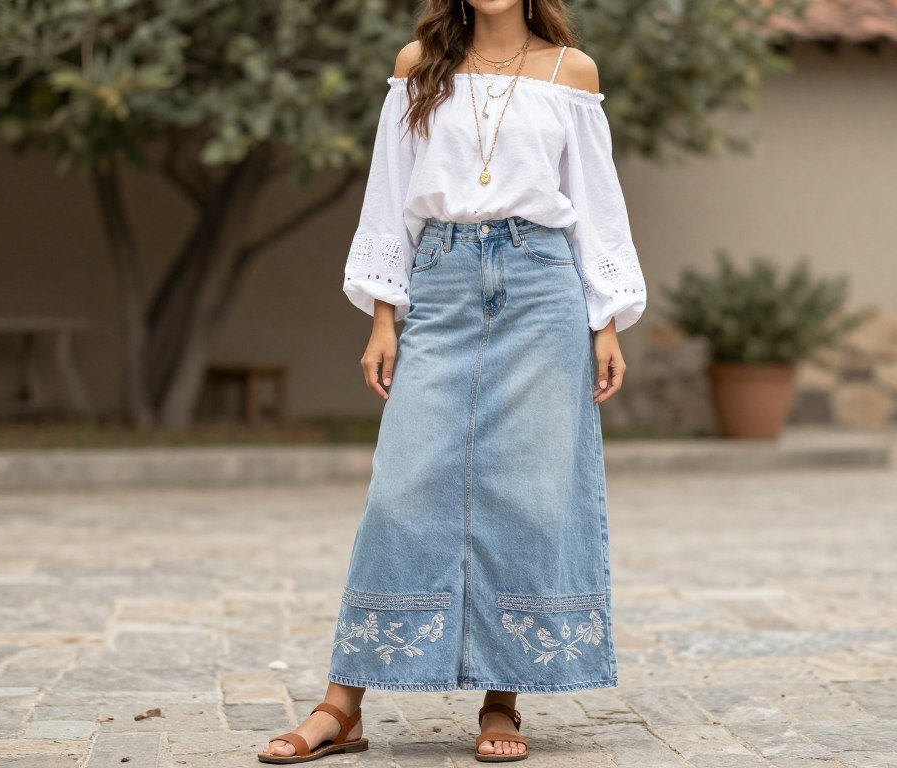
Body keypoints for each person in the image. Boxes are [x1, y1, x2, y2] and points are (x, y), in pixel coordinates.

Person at [258, 0, 646, 763]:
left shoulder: (574, 72)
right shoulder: (418, 65)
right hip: (442, 278)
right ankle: (344, 703)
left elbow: (597, 205)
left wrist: (606, 318)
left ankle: (502, 704)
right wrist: (383, 315)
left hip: (542, 288)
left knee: (530, 493)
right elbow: (388, 192)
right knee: (401, 490)